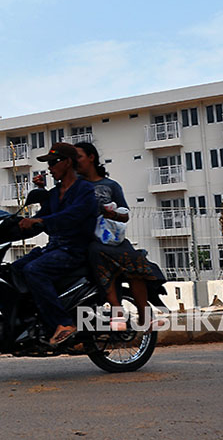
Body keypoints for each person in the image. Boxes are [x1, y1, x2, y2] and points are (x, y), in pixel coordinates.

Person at [73, 141, 166, 329]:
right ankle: (117, 312)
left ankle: (144, 316)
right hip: (90, 240)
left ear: (91, 158)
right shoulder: (75, 185)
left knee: (136, 265)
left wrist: (112, 214)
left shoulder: (111, 185)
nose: (75, 162)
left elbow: (125, 215)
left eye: (79, 157)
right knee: (98, 257)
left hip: (112, 240)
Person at [14, 142, 98, 346]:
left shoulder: (84, 190)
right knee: (15, 268)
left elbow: (71, 216)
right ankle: (31, 321)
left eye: (53, 162)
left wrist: (41, 221)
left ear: (67, 162)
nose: (49, 168)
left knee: (35, 270)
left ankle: (63, 323)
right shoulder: (54, 193)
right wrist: (12, 227)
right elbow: (40, 219)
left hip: (74, 249)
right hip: (54, 248)